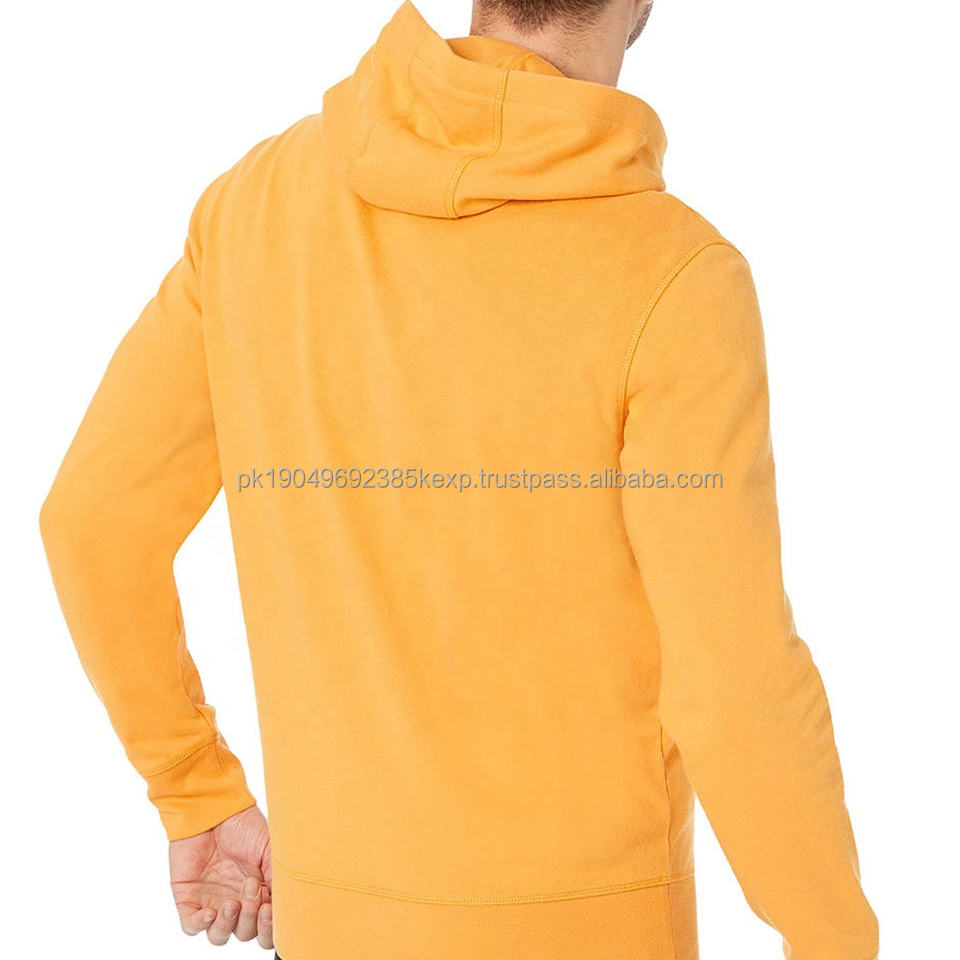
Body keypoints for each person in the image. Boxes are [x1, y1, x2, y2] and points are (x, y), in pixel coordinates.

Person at [39, 2, 879, 958]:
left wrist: (195, 792)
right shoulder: (673, 275)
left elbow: (93, 522)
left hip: (336, 927)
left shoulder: (256, 207)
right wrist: (834, 940)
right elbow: (732, 682)